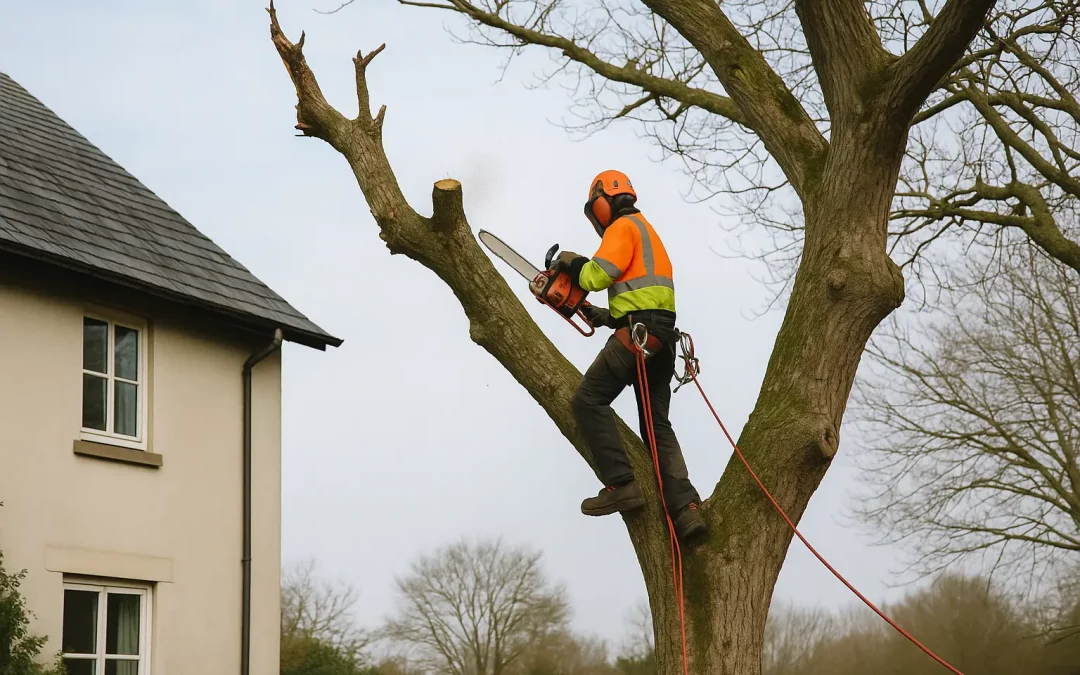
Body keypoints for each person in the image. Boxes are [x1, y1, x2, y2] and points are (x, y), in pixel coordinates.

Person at [553, 170, 707, 542]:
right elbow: (644, 295)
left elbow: (596, 275)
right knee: (657, 425)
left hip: (638, 336)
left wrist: (570, 262)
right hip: (661, 337)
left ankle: (621, 483)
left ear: (603, 202)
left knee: (589, 400)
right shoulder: (647, 230)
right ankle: (686, 508)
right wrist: (605, 317)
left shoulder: (621, 228)